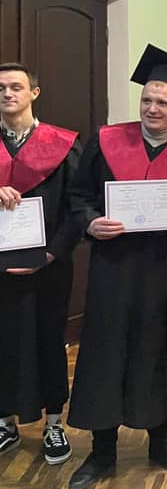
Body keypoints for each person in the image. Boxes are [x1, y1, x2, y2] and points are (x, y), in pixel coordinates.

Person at [66, 45, 167, 489]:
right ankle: (102, 449)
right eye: (147, 99)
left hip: (163, 265)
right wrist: (91, 222)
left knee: (159, 344)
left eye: (163, 102)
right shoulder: (107, 140)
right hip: (112, 263)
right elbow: (78, 195)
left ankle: (160, 438)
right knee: (104, 347)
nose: (152, 108)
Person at [0, 62, 83, 465]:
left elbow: (78, 207)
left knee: (50, 339)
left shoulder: (62, 144)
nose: (7, 93)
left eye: (16, 87)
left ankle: (54, 422)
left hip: (49, 265)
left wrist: (52, 253)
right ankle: (5, 421)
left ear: (34, 93)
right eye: (0, 88)